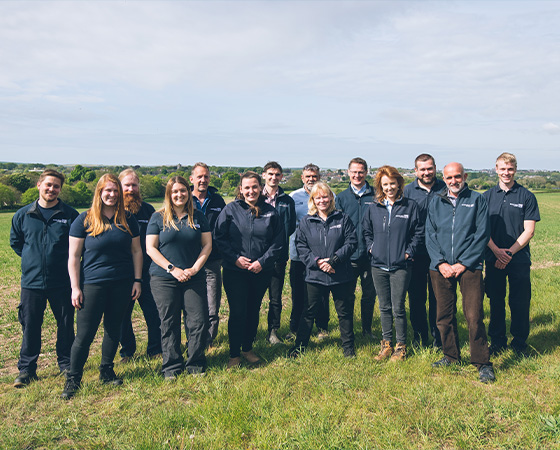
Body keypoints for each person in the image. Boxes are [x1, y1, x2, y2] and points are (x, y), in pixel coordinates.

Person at [62, 174, 143, 399]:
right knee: (85, 334)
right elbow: (74, 256)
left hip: (122, 284)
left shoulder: (127, 219)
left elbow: (137, 251)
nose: (112, 194)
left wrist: (137, 280)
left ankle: (106, 370)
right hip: (92, 285)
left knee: (113, 328)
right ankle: (73, 378)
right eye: (107, 190)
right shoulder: (84, 220)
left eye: (115, 190)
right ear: (99, 192)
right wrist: (75, 288)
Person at [426, 162, 495, 383]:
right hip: (441, 268)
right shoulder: (436, 200)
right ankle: (450, 356)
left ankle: (482, 363)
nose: (453, 181)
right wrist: (440, 262)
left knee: (474, 316)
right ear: (443, 179)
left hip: (470, 266)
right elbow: (430, 234)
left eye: (457, 176)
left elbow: (482, 234)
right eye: (449, 178)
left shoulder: (477, 199)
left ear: (464, 176)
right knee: (443, 315)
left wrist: (463, 263)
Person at [10, 170, 79, 388]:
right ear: (39, 185)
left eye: (56, 186)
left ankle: (66, 364)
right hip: (31, 283)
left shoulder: (70, 215)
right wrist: (34, 260)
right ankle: (27, 370)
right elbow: (16, 243)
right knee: (30, 325)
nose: (51, 189)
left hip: (62, 282)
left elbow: (77, 247)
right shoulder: (23, 215)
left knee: (66, 325)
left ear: (60, 189)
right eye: (48, 185)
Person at [214, 171, 284, 369]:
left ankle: (247, 348)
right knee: (238, 311)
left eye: (254, 187)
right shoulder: (230, 210)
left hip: (260, 271)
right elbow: (219, 238)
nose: (251, 191)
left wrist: (262, 261)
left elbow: (278, 242)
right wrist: (235, 259)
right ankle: (234, 354)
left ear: (260, 188)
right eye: (247, 187)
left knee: (253, 310)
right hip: (234, 271)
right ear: (241, 190)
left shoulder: (271, 212)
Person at [146, 176, 212, 379]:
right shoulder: (158, 217)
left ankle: (195, 363)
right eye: (175, 191)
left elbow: (207, 245)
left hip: (194, 277)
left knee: (198, 321)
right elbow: (150, 248)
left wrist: (194, 269)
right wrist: (172, 268)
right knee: (169, 322)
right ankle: (171, 366)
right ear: (169, 194)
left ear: (188, 192)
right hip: (164, 278)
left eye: (183, 190)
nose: (179, 194)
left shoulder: (198, 216)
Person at [289, 182, 357, 358]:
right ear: (312, 200)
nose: (322, 200)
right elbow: (301, 246)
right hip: (315, 274)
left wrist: (334, 260)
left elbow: (351, 242)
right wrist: (318, 262)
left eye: (325, 196)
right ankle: (299, 347)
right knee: (309, 311)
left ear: (331, 198)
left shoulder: (343, 218)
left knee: (344, 312)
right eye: (318, 197)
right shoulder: (306, 221)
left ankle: (348, 348)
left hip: (340, 274)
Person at [362, 166, 423, 361]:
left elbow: (418, 233)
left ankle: (401, 346)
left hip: (400, 266)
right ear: (380, 185)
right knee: (384, 306)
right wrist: (371, 248)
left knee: (398, 307)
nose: (389, 187)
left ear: (399, 184)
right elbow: (366, 231)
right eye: (385, 184)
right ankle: (386, 343)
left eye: (392, 184)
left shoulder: (410, 206)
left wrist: (408, 253)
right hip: (378, 265)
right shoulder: (373, 207)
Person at [483, 153, 540, 356]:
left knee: (519, 301)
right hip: (492, 257)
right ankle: (497, 342)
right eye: (503, 169)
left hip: (519, 259)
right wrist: (497, 252)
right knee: (495, 301)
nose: (506, 173)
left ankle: (519, 343)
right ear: (496, 169)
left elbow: (529, 230)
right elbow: (482, 229)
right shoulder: (486, 197)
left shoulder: (526, 196)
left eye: (510, 169)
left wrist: (508, 253)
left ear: (515, 170)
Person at [118, 169, 162, 362]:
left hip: (148, 272)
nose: (130, 189)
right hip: (122, 273)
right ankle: (127, 352)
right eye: (126, 185)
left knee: (154, 313)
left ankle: (155, 349)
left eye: (134, 185)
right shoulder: (113, 211)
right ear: (119, 187)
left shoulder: (148, 210)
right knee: (122, 316)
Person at [403, 154, 447, 348]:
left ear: (435, 168)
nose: (426, 172)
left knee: (439, 298)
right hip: (416, 254)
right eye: (422, 169)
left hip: (441, 254)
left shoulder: (445, 189)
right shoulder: (406, 192)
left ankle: (439, 338)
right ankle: (420, 338)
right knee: (417, 298)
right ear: (415, 171)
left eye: (429, 168)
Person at [335, 157, 377, 339]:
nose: (357, 175)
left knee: (369, 296)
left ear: (366, 172)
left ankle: (367, 330)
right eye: (354, 172)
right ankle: (348, 331)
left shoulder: (376, 195)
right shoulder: (342, 198)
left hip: (371, 256)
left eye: (361, 172)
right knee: (347, 296)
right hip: (349, 256)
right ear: (348, 173)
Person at [288, 164, 330, 341]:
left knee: (322, 293)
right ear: (302, 178)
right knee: (298, 292)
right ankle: (295, 327)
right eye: (307, 176)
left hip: (322, 254)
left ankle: (322, 327)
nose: (311, 179)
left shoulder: (328, 195)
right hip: (299, 254)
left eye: (314, 176)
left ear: (319, 176)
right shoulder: (293, 197)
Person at [189, 162, 226, 348]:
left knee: (212, 305)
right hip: (189, 261)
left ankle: (208, 341)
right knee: (192, 305)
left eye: (206, 177)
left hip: (213, 259)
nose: (203, 180)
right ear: (192, 179)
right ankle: (193, 340)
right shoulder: (184, 197)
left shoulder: (218, 200)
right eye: (199, 177)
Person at [261, 161, 296, 345]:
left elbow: (289, 227)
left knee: (275, 297)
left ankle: (273, 332)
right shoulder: (255, 196)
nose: (273, 177)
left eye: (277, 174)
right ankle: (249, 331)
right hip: (256, 257)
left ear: (281, 177)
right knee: (254, 296)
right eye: (270, 174)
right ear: (264, 175)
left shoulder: (287, 200)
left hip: (278, 257)